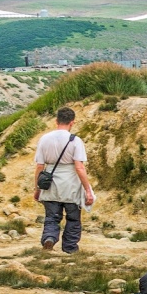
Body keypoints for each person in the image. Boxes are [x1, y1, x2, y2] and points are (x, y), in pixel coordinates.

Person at [33, 107, 95, 253]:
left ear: (56, 121)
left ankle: (49, 238)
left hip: (50, 183)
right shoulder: (75, 141)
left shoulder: (44, 139)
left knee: (51, 218)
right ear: (72, 123)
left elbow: (39, 166)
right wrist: (87, 190)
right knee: (73, 219)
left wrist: (37, 189)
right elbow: (79, 168)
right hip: (70, 184)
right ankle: (70, 248)